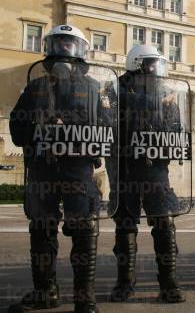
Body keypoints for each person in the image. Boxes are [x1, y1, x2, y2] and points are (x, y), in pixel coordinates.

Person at [9, 25, 115, 313]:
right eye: (61, 45)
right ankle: (50, 292)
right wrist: (41, 127)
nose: (65, 52)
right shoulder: (36, 88)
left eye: (70, 46)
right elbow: (18, 130)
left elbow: (107, 128)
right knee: (43, 229)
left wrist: (71, 129)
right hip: (47, 168)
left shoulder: (93, 88)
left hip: (76, 169)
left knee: (81, 229)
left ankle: (81, 298)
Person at [110, 44, 187, 303]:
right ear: (136, 63)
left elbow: (175, 127)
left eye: (158, 64)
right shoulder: (117, 87)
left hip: (156, 167)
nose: (156, 70)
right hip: (125, 166)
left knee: (164, 221)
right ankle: (124, 281)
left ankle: (169, 282)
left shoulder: (166, 91)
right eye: (151, 64)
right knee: (125, 224)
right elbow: (112, 112)